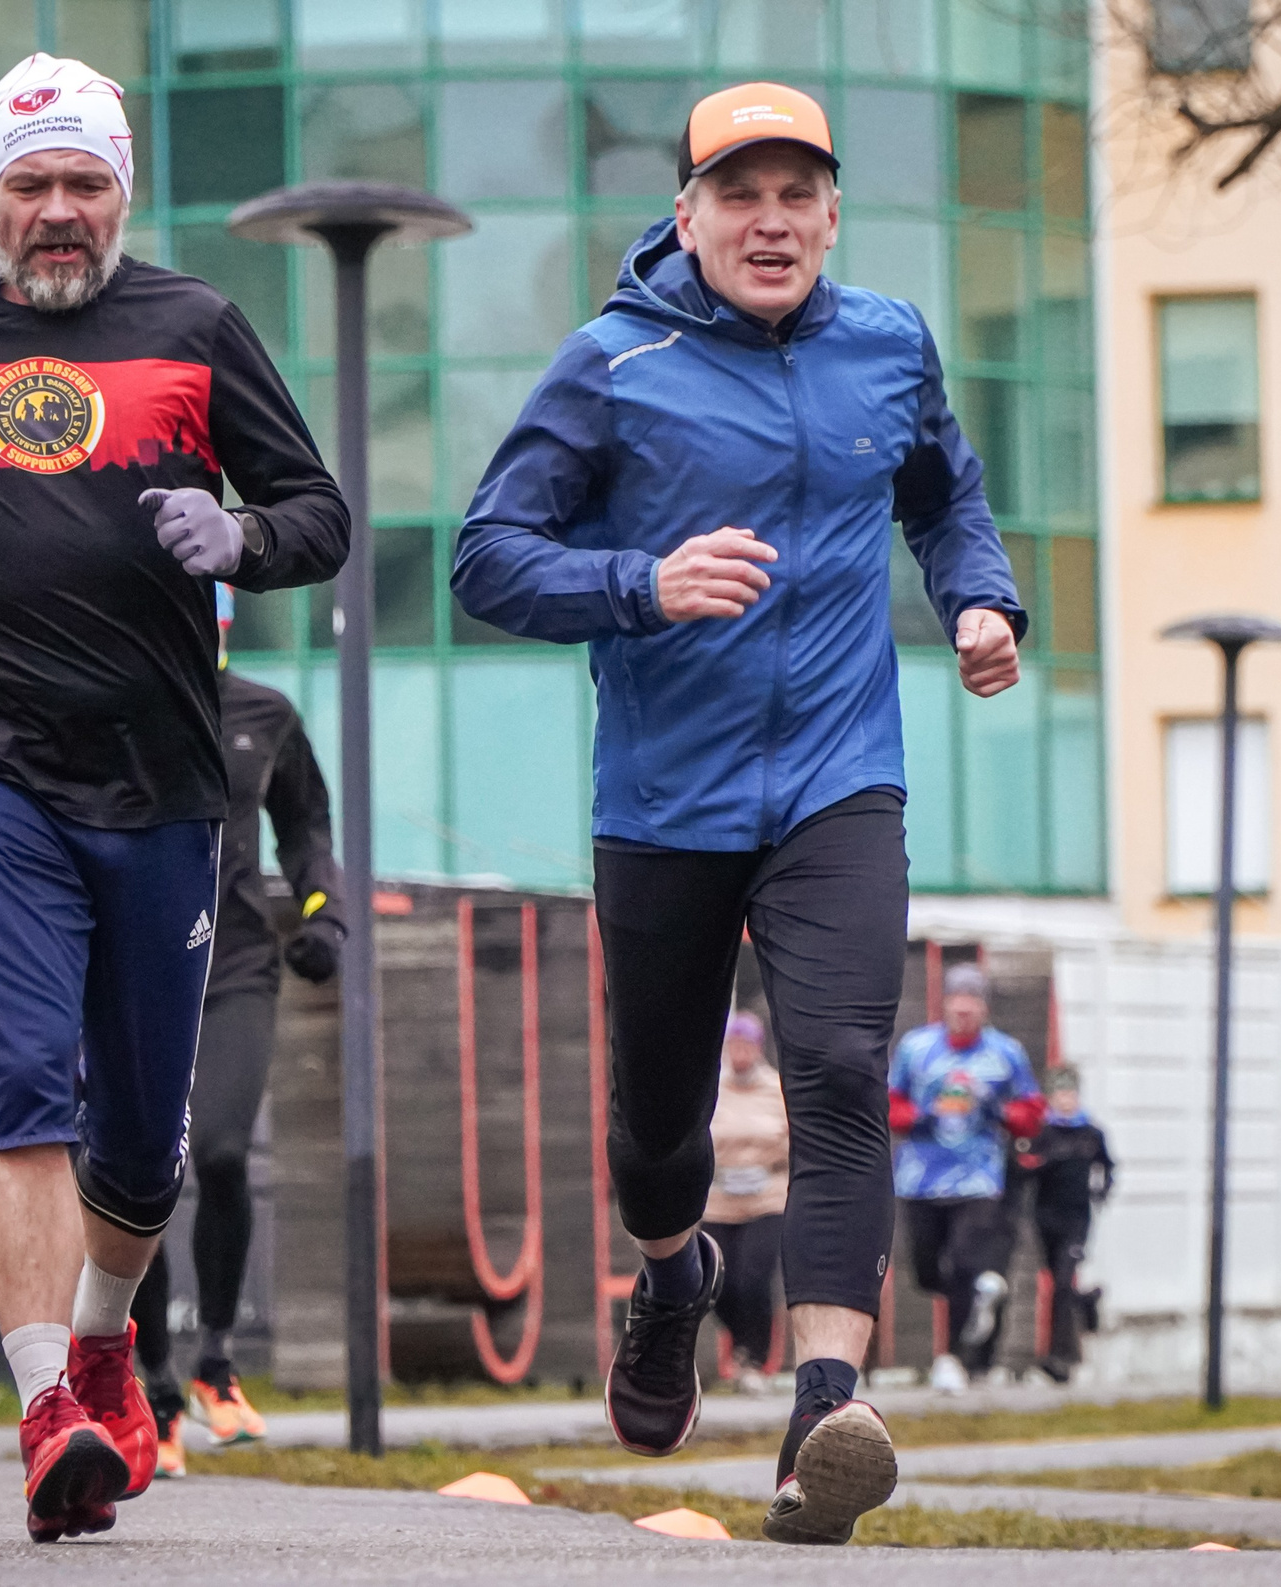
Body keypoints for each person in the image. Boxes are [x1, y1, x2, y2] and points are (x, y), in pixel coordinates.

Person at [0, 52, 346, 1543]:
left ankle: (106, 1333)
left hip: (160, 784)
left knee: (146, 1144)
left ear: (122, 194)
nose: (57, 211)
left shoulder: (196, 325)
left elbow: (320, 514)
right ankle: (48, 1407)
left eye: (84, 182)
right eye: (29, 183)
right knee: (20, 1084)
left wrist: (237, 534)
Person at [455, 80, 1026, 1545]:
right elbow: (488, 558)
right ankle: (674, 1274)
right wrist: (643, 582)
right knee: (662, 1118)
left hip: (842, 773)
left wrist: (978, 598)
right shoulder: (612, 364)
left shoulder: (890, 345)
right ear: (689, 214)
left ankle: (820, 1411)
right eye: (739, 194)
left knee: (841, 1061)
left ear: (833, 214)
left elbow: (945, 497)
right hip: (666, 795)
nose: (770, 222)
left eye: (797, 194)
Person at [129, 588, 344, 1471]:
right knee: (136, 1174)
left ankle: (216, 1361)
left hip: (237, 963)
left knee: (218, 1152)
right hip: (132, 971)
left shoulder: (266, 713)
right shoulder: (112, 704)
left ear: (219, 622)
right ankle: (154, 1389)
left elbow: (305, 822)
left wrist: (325, 913)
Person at [888, 964, 1043, 1393]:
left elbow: (1031, 1114)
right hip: (920, 1177)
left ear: (984, 1007)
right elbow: (890, 1102)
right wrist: (923, 1115)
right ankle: (978, 1296)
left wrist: (993, 1107)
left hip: (978, 1178)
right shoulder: (916, 1048)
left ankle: (953, 1358)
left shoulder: (1005, 1053)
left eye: (973, 1002)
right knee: (925, 1270)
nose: (964, 1010)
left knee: (965, 1262)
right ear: (945, 1005)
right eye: (957, 1001)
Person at [701, 1009, 787, 1396]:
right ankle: (738, 1344)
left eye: (746, 1045)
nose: (740, 1052)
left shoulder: (776, 1088)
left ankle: (754, 1356)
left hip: (765, 1197)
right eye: (733, 1044)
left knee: (753, 1279)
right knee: (718, 1284)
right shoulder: (709, 1087)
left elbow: (792, 1138)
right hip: (718, 1199)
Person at [1013, 1062, 1110, 1383]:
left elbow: (1107, 1166)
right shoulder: (1044, 1133)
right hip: (1046, 1216)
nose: (1065, 1100)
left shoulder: (1091, 1133)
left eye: (1070, 1093)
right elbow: (1024, 1171)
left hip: (1077, 1218)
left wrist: (1102, 1191)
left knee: (1063, 1283)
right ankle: (1086, 1303)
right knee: (1057, 1284)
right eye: (1059, 1094)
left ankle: (1060, 1357)